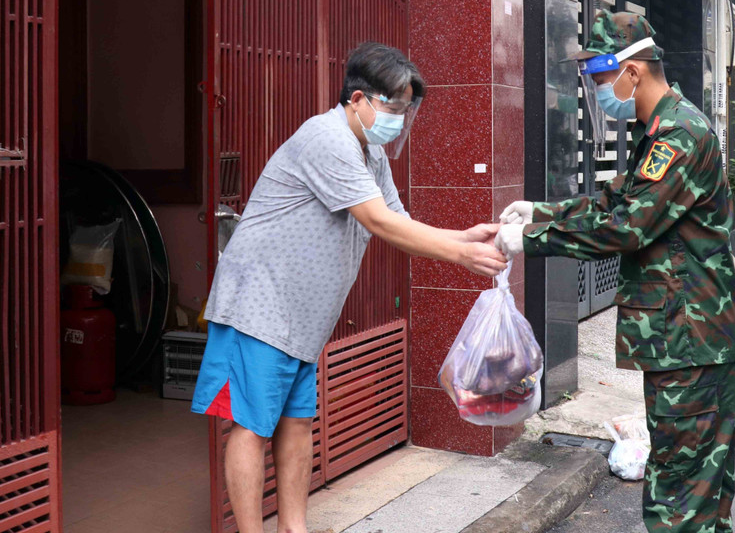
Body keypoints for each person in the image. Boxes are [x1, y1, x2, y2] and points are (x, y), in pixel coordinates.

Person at [190, 42, 507, 533]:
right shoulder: (328, 139)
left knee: (297, 423)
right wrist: (461, 255)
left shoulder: (370, 151)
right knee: (251, 426)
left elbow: (398, 219)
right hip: (259, 306)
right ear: (357, 99)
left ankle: (293, 529)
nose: (398, 119)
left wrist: (463, 238)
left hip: (300, 318)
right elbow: (378, 222)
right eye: (393, 106)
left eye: (406, 110)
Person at [495, 11, 735, 533]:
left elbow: (628, 228)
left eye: (601, 77)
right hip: (689, 337)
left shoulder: (678, 134)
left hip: (690, 338)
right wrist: (541, 212)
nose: (598, 91)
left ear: (632, 71)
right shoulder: (657, 131)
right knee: (702, 485)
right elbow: (616, 201)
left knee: (680, 491)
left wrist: (533, 240)